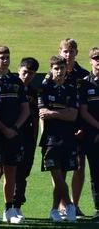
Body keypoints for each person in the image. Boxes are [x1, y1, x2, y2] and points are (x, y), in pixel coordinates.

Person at [0, 46, 30, 224]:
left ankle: (9, 209)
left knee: (11, 171)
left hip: (13, 134)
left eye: (7, 57)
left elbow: (25, 110)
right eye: (1, 57)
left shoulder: (16, 81)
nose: (5, 60)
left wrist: (15, 128)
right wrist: (3, 128)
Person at [39, 55, 78, 222]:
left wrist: (54, 113)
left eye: (62, 68)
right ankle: (69, 205)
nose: (59, 71)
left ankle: (54, 210)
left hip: (68, 138)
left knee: (62, 175)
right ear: (51, 69)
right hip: (50, 139)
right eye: (56, 69)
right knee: (56, 175)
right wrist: (63, 114)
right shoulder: (45, 88)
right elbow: (42, 114)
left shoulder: (71, 87)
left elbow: (73, 115)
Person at [58, 38, 89, 217]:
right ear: (60, 52)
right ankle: (63, 205)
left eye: (71, 51)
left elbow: (86, 106)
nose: (68, 55)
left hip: (80, 129)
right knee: (59, 168)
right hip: (59, 128)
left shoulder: (83, 75)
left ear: (76, 52)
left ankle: (74, 205)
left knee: (79, 166)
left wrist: (83, 127)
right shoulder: (54, 73)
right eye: (65, 51)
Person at [13, 57, 40, 220]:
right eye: (24, 72)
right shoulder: (11, 87)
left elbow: (36, 117)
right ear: (18, 70)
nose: (27, 76)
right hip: (9, 134)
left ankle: (17, 206)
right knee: (0, 171)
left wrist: (34, 140)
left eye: (31, 74)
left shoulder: (34, 92)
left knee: (22, 173)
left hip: (27, 136)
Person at [78, 47, 99, 221]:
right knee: (96, 173)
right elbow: (83, 112)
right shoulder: (85, 83)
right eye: (96, 58)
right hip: (93, 135)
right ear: (90, 60)